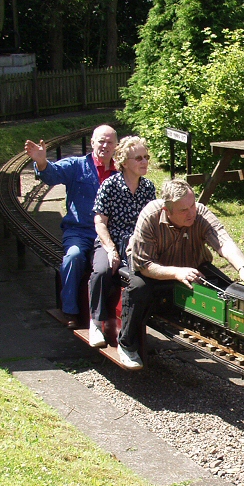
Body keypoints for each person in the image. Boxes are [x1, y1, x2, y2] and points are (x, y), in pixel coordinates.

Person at [117, 179, 244, 369]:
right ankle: (127, 344)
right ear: (167, 211)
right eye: (183, 210)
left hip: (193, 264)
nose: (191, 213)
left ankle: (240, 341)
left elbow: (223, 241)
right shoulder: (150, 217)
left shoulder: (200, 213)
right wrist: (176, 273)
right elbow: (144, 265)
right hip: (154, 270)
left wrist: (242, 267)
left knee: (227, 291)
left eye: (192, 205)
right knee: (138, 289)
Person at [23, 124, 117, 326]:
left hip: (108, 233)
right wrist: (41, 162)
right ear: (92, 142)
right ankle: (70, 310)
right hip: (79, 231)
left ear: (116, 146)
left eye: (110, 142)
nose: (105, 146)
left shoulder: (120, 171)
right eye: (101, 141)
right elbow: (52, 174)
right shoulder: (77, 165)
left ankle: (108, 314)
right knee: (73, 257)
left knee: (112, 265)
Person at [85, 136, 157, 347]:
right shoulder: (110, 185)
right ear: (124, 162)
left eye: (146, 157)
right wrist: (111, 250)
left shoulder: (148, 187)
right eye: (138, 158)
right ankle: (95, 323)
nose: (144, 162)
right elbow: (100, 222)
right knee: (102, 271)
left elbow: (151, 222)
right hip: (110, 241)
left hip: (136, 244)